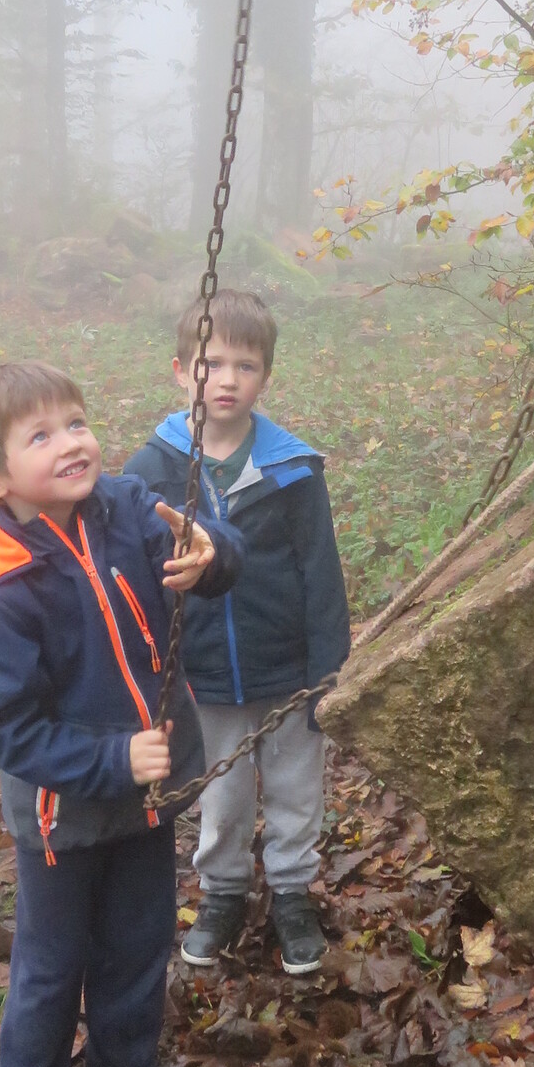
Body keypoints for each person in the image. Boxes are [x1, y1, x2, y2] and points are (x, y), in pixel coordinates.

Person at [0, 358, 242, 1067]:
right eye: (41, 436)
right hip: (63, 815)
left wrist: (212, 554)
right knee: (51, 966)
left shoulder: (123, 508)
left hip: (148, 797)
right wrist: (111, 761)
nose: (72, 443)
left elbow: (208, 549)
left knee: (137, 947)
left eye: (76, 422)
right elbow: (6, 727)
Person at [126, 291, 350, 978]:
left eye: (245, 366)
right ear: (180, 371)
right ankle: (222, 892)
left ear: (265, 377)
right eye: (211, 363)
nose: (226, 380)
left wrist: (328, 671)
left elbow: (321, 572)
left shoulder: (293, 470)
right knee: (220, 795)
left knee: (294, 788)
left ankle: (292, 892)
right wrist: (149, 677)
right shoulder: (150, 471)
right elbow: (134, 581)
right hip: (202, 674)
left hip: (287, 666)